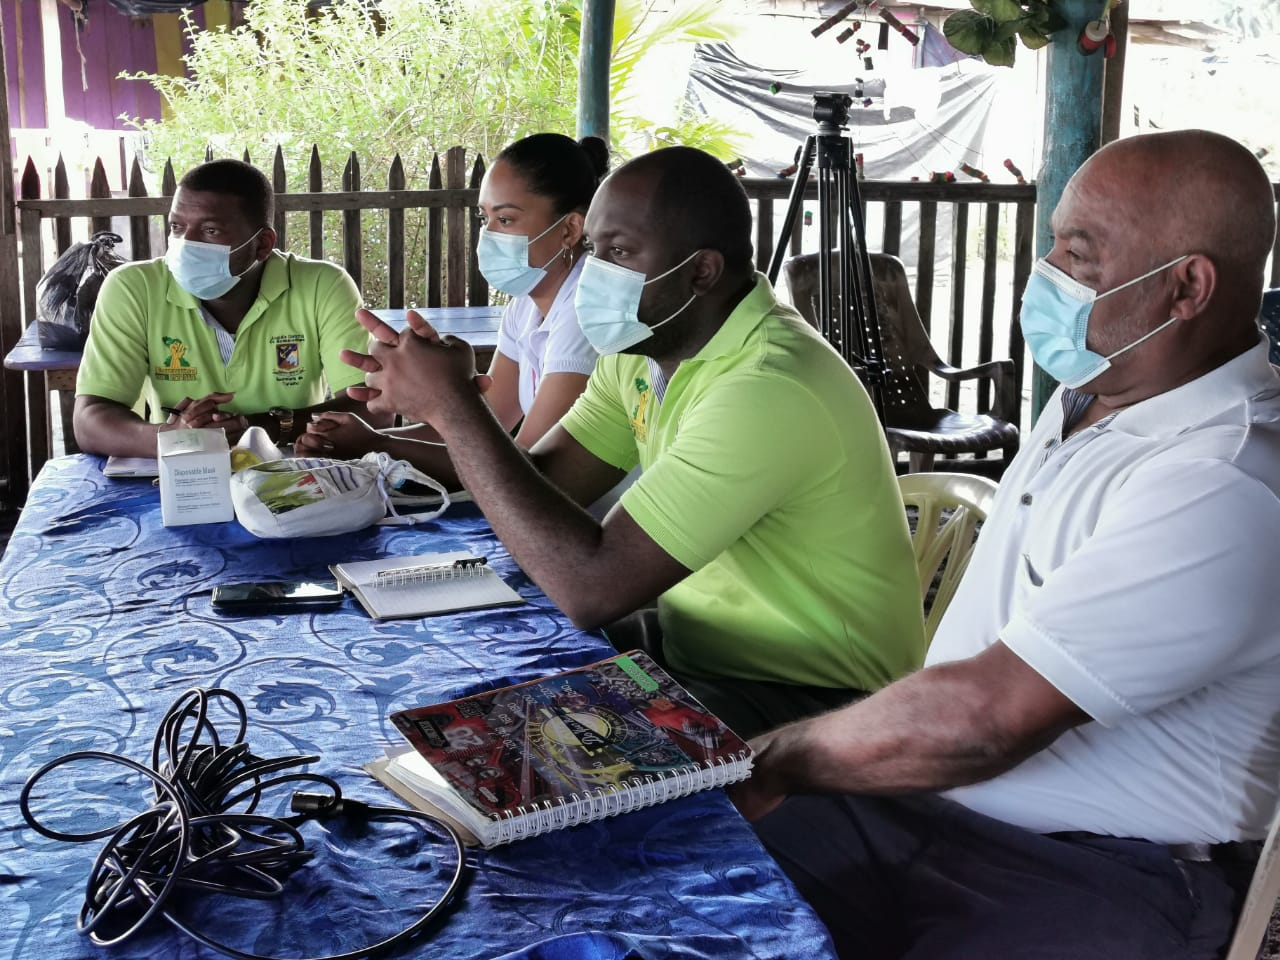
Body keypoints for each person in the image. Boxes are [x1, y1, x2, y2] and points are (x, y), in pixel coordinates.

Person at [730, 129, 1280, 960]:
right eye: (1053, 243)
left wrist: (773, 758)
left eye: (1078, 255)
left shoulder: (1226, 478)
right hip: (937, 807)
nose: (1047, 273)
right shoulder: (1094, 396)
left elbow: (987, 720)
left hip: (1104, 874)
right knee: (668, 890)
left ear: (1185, 288)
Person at [340, 145, 925, 738]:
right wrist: (449, 405)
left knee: (526, 747)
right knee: (459, 679)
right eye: (594, 251)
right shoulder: (644, 353)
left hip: (815, 697)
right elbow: (543, 485)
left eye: (619, 253)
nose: (595, 275)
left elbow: (591, 588)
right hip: (696, 647)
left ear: (702, 270)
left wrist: (452, 406)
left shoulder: (767, 387)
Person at [295, 133, 608, 491]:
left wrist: (381, 443)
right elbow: (484, 421)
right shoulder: (526, 305)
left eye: (505, 220)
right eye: (484, 217)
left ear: (569, 229)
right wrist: (366, 436)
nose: (488, 235)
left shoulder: (584, 313)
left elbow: (523, 469)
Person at [73, 158, 387, 457]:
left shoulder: (322, 285)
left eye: (211, 231)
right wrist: (176, 437)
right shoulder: (134, 288)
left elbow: (373, 408)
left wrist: (257, 429)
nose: (186, 245)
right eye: (177, 227)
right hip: (181, 476)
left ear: (262, 244)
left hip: (291, 475)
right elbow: (90, 421)